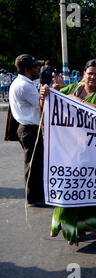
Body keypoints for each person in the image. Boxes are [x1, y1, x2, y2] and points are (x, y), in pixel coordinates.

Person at [40, 59, 96, 246]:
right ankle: (74, 229)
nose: (93, 77)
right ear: (83, 74)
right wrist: (44, 94)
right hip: (69, 154)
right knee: (70, 191)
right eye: (90, 73)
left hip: (94, 154)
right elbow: (48, 105)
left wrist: (76, 101)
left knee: (92, 194)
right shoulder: (73, 88)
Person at [9, 54, 46, 207]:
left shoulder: (20, 82)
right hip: (30, 129)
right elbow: (42, 104)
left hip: (26, 127)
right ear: (27, 70)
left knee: (35, 163)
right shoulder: (24, 85)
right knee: (33, 164)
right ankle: (33, 198)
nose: (39, 69)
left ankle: (36, 195)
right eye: (36, 67)